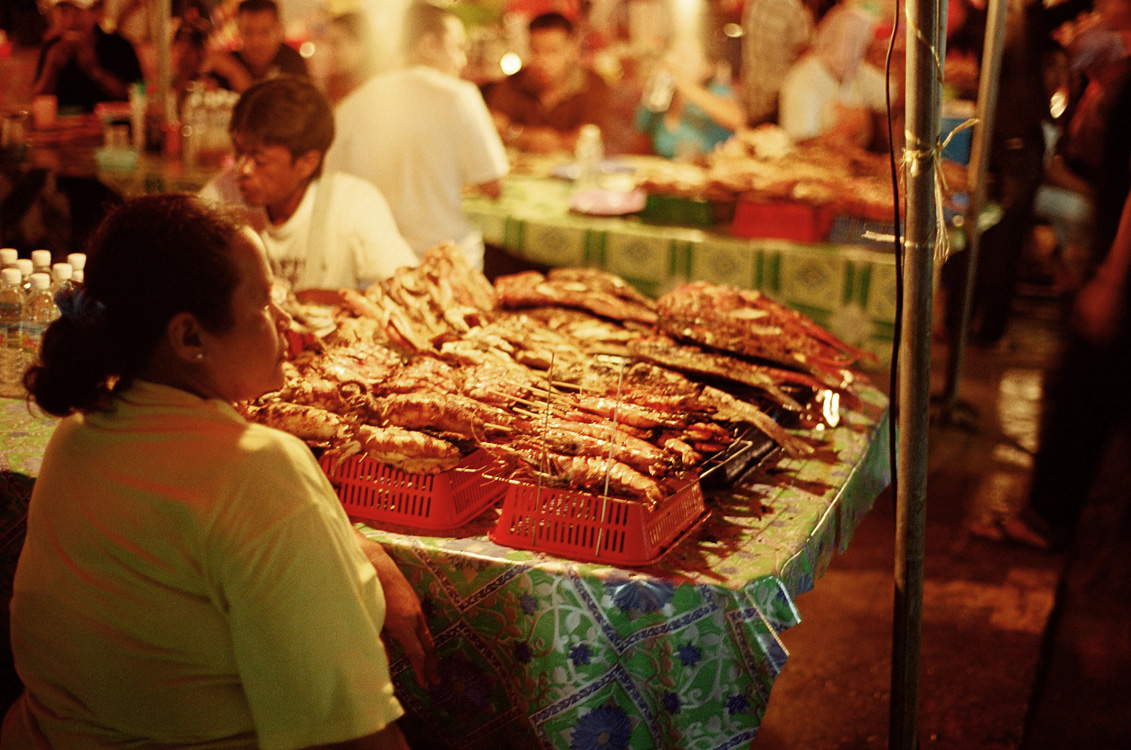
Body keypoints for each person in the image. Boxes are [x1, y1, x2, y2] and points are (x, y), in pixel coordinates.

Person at [1, 193, 438, 748]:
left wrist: (352, 543)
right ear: (189, 337)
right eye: (262, 306)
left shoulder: (77, 433)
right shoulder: (257, 468)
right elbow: (349, 736)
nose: (284, 321)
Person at [974, 0, 1131, 551]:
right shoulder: (1116, 59)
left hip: (1121, 271)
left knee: (1082, 397)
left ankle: (1047, 520)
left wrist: (1112, 277)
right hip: (1109, 257)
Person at [324, 2, 508, 271]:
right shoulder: (459, 96)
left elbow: (334, 188)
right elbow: (493, 187)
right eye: (457, 48)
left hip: (377, 270)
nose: (462, 60)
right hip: (450, 268)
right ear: (428, 45)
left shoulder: (352, 106)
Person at [199, 76, 416, 294]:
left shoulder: (353, 205)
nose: (243, 169)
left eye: (259, 160)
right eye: (239, 153)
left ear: (307, 163)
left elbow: (407, 289)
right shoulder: (222, 195)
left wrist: (324, 298)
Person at [485, 11, 611, 153]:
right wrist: (528, 138)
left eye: (552, 51)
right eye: (535, 50)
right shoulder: (513, 82)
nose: (542, 60)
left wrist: (553, 142)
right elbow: (493, 127)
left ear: (571, 49)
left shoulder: (591, 83)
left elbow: (591, 135)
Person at [777, 3, 888, 148]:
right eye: (850, 40)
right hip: (815, 166)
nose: (853, 47)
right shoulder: (804, 77)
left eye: (859, 40)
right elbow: (800, 142)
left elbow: (893, 96)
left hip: (853, 164)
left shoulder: (858, 71)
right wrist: (844, 129)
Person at [633, 30, 746, 160]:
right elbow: (640, 139)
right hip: (668, 176)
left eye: (687, 57)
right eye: (674, 55)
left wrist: (682, 83)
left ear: (707, 67)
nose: (677, 63)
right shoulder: (662, 99)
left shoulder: (716, 92)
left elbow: (737, 119)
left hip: (710, 176)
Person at [31, 0, 143, 112]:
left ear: (98, 12)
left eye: (78, 12)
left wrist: (95, 70)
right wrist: (52, 66)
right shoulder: (51, 47)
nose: (71, 21)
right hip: (63, 126)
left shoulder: (119, 46)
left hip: (109, 125)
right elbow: (36, 101)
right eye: (63, 12)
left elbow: (135, 97)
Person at [740, 0, 816, 127]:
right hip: (780, 98)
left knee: (758, 139)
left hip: (754, 93)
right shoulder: (793, 11)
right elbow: (806, 57)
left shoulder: (755, 4)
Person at [208, 0, 309, 94]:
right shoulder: (226, 65)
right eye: (248, 32)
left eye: (265, 32)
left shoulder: (292, 61)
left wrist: (235, 73)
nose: (256, 42)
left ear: (278, 31)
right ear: (239, 32)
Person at [322, 10, 380, 106]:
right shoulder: (335, 83)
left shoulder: (381, 83)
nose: (329, 53)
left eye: (336, 43)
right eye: (328, 44)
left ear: (361, 44)